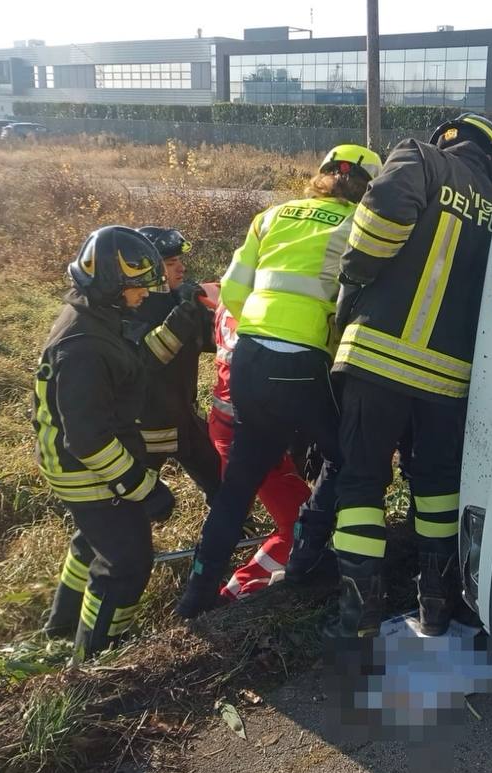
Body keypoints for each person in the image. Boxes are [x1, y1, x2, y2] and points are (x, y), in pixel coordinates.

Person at [175, 144, 384, 618]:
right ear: (369, 189)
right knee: (345, 457)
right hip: (303, 362)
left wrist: (263, 330)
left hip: (249, 358)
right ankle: (309, 552)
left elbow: (232, 291)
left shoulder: (271, 216)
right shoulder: (359, 225)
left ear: (322, 175)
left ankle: (197, 595)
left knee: (239, 484)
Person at [329, 113, 492, 637]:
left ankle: (358, 617)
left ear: (447, 139)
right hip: (448, 380)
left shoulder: (422, 159)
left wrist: (355, 275)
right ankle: (437, 606)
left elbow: (380, 217)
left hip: (378, 358)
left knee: (362, 481)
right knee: (437, 486)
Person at [34, 225, 198, 660]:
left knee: (93, 542)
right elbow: (88, 439)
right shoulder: (84, 348)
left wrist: (181, 320)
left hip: (77, 463)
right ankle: (98, 657)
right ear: (110, 284)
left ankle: (63, 627)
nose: (145, 294)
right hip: (84, 471)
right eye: (137, 286)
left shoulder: (96, 317)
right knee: (126, 564)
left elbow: (137, 363)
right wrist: (143, 488)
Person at [197, 282, 315, 600]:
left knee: (236, 514)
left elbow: (211, 290)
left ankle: (215, 587)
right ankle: (236, 592)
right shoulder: (272, 312)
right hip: (249, 433)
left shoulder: (234, 295)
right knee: (302, 522)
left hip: (229, 426)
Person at [126, 226, 220, 501]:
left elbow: (212, 341)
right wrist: (185, 309)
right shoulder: (131, 307)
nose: (181, 268)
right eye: (170, 263)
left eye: (179, 261)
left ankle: (233, 524)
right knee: (136, 499)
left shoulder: (179, 300)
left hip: (185, 419)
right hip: (146, 429)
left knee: (221, 482)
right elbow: (150, 358)